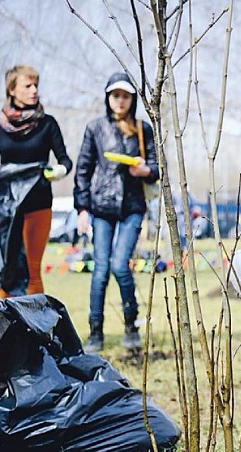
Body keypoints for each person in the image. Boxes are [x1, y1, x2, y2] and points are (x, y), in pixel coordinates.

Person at [0, 65, 71, 298]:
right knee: (7, 269)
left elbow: (65, 159)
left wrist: (60, 170)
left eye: (36, 85)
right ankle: (7, 329)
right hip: (6, 210)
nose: (34, 90)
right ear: (12, 90)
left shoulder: (47, 123)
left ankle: (35, 330)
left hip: (38, 207)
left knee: (32, 272)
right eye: (28, 85)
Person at [74, 72, 159, 353]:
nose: (120, 101)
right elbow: (83, 169)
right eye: (115, 95)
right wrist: (82, 208)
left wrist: (145, 170)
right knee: (100, 270)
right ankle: (95, 331)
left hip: (133, 207)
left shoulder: (143, 128)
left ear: (132, 99)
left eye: (125, 96)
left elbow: (158, 167)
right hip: (102, 207)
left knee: (120, 265)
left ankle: (131, 326)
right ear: (108, 98)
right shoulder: (95, 128)